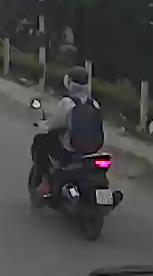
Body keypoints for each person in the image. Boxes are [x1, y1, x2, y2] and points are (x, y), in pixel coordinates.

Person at [32, 65, 105, 195]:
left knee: (40, 141)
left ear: (69, 82)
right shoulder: (94, 103)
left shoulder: (68, 102)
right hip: (92, 149)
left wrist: (42, 125)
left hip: (70, 149)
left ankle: (45, 181)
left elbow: (55, 124)